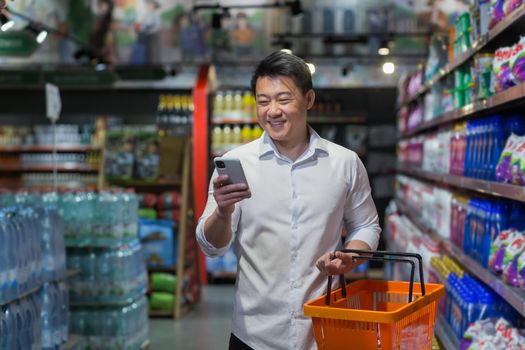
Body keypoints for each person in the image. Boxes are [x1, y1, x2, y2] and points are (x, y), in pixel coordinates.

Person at [196, 51, 381, 350]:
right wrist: (222, 210)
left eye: (283, 99)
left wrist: (351, 256)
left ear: (308, 99)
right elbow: (211, 246)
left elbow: (366, 225)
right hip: (253, 335)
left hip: (324, 330)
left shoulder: (345, 163)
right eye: (263, 100)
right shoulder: (235, 163)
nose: (272, 111)